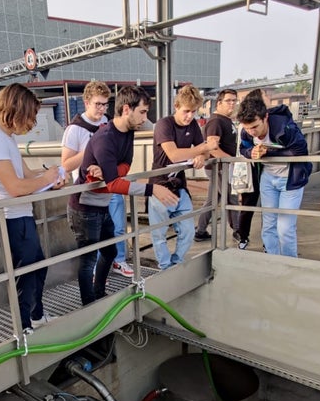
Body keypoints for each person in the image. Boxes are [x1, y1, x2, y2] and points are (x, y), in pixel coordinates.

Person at [68, 85, 177, 305]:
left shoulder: (127, 133)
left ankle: (99, 293)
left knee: (109, 252)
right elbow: (114, 184)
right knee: (88, 260)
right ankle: (89, 305)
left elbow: (126, 166)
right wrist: (152, 189)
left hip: (102, 204)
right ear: (127, 109)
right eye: (142, 112)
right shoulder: (105, 137)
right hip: (85, 208)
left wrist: (111, 172)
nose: (145, 118)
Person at [0, 83, 65, 334]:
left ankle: (35, 316)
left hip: (21, 217)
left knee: (37, 268)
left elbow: (25, 175)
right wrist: (46, 179)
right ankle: (23, 327)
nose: (32, 123)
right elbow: (15, 187)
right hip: (10, 219)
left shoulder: (5, 137)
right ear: (16, 111)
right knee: (24, 276)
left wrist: (50, 176)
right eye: (31, 116)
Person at [61, 82, 134, 279]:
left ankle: (118, 261)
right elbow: (66, 164)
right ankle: (95, 273)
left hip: (111, 184)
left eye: (105, 104)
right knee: (94, 239)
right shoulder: (74, 129)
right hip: (89, 192)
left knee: (118, 227)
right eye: (98, 104)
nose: (102, 109)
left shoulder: (110, 123)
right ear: (86, 103)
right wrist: (92, 148)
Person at [150, 84, 219, 269]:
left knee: (188, 230)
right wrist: (203, 148)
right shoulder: (164, 124)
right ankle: (164, 267)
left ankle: (176, 262)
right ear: (176, 107)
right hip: (160, 185)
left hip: (180, 185)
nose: (190, 116)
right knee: (159, 233)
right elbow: (174, 155)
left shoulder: (193, 125)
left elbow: (204, 153)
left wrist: (201, 156)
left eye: (193, 112)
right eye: (186, 111)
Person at [238, 89, 310, 257]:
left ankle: (289, 263)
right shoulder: (246, 131)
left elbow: (301, 151)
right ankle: (272, 260)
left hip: (291, 179)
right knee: (268, 224)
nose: (252, 132)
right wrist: (251, 152)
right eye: (247, 128)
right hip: (268, 178)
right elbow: (243, 148)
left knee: (285, 227)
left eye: (255, 127)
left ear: (265, 117)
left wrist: (267, 152)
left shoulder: (284, 126)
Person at [194, 89, 246, 245]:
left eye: (234, 100)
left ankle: (200, 231)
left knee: (212, 201)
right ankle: (238, 230)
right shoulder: (216, 121)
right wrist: (231, 161)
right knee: (231, 198)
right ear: (219, 103)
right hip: (220, 167)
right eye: (228, 100)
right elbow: (213, 148)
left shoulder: (225, 120)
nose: (232, 104)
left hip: (223, 166)